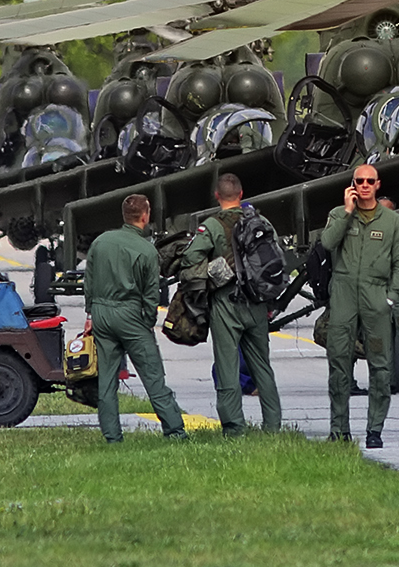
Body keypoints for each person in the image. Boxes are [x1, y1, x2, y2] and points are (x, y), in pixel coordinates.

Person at [180, 173, 281, 437]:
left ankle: (235, 428)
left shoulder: (211, 226)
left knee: (227, 367)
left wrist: (214, 270)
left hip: (226, 302)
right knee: (262, 366)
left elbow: (190, 257)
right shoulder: (261, 222)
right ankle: (273, 426)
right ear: (241, 194)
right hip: (257, 302)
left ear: (216, 196)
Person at [84, 193, 187, 443]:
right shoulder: (146, 250)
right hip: (130, 315)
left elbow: (89, 281)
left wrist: (91, 314)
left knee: (107, 379)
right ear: (145, 215)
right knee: (153, 376)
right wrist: (148, 320)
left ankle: (112, 436)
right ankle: (175, 431)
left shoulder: (100, 242)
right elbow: (151, 294)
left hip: (101, 313)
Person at [320, 163, 399, 448]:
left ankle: (374, 430)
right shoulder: (337, 214)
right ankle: (339, 430)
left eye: (370, 181)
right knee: (339, 363)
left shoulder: (392, 221)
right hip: (344, 294)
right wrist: (347, 212)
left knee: (380, 367)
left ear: (378, 184)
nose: (365, 185)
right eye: (359, 180)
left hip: (376, 295)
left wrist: (391, 297)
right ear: (352, 184)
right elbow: (327, 242)